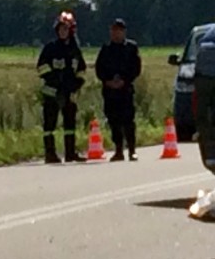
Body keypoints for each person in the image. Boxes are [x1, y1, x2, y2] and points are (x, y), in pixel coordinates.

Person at [37, 11, 87, 163]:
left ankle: (70, 153)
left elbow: (81, 70)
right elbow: (41, 67)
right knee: (49, 125)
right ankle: (50, 154)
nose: (62, 32)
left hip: (69, 93)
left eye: (65, 29)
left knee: (70, 124)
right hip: (52, 93)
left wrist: (75, 86)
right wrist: (54, 82)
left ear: (71, 31)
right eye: (60, 29)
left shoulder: (74, 50)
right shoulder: (50, 48)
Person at [95, 18, 142, 161]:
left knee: (128, 121)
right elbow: (99, 69)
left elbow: (136, 68)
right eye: (114, 30)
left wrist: (124, 81)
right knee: (113, 121)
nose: (116, 34)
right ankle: (118, 150)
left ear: (124, 32)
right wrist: (107, 81)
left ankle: (132, 150)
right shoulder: (106, 49)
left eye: (119, 31)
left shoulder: (131, 48)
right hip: (110, 92)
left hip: (125, 90)